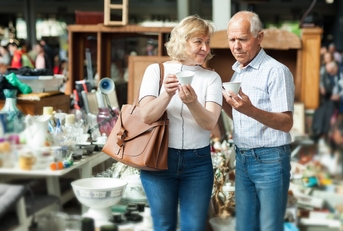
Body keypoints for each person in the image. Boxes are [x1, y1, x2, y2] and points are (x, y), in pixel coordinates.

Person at [138, 15, 222, 231]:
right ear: (182, 41)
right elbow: (146, 116)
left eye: (207, 42)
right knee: (164, 225)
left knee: (194, 227)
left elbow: (209, 123)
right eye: (198, 41)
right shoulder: (156, 72)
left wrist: (193, 103)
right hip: (159, 159)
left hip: (198, 162)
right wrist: (166, 94)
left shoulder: (212, 78)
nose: (205, 48)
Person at [222, 11, 295, 231]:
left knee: (270, 226)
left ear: (259, 37)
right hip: (243, 158)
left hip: (270, 160)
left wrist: (250, 109)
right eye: (232, 40)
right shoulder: (237, 73)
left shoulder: (276, 71)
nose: (236, 46)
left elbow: (286, 122)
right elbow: (238, 112)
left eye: (242, 39)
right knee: (244, 226)